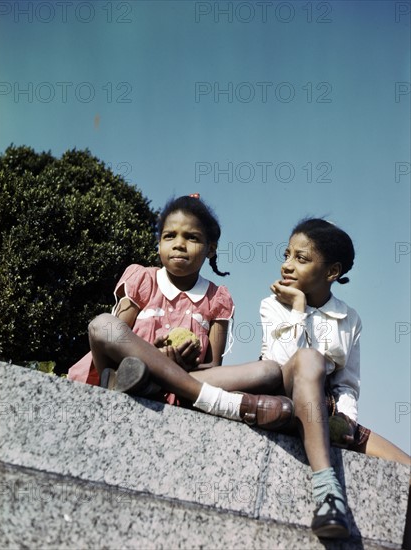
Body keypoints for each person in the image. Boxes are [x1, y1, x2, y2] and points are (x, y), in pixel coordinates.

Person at [68, 195, 293, 431]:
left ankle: (156, 387)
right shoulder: (143, 278)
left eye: (192, 237)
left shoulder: (217, 298)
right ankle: (224, 403)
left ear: (211, 249)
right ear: (159, 243)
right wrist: (153, 354)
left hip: (189, 377)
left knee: (269, 371)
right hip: (128, 371)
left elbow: (214, 364)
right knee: (102, 324)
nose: (178, 244)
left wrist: (185, 363)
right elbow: (111, 343)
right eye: (169, 236)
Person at [259, 217, 410, 539]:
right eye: (286, 254)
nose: (287, 265)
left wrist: (345, 420)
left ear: (332, 272)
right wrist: (298, 309)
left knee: (405, 466)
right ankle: (327, 493)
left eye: (301, 258)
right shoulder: (273, 305)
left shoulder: (349, 318)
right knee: (308, 360)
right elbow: (279, 362)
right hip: (282, 395)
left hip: (326, 410)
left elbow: (347, 384)